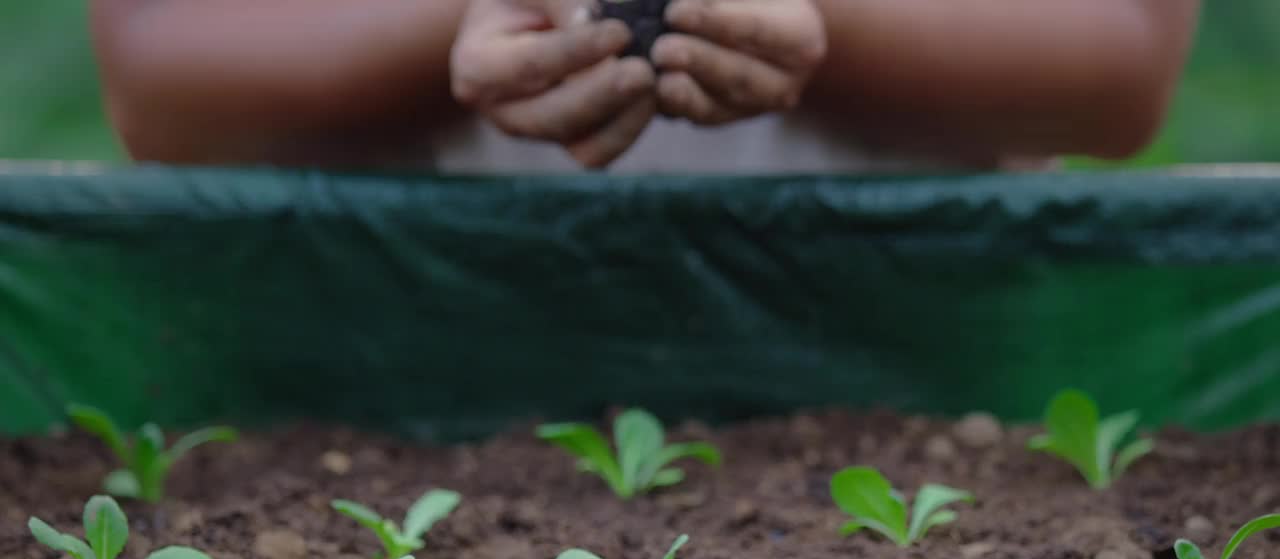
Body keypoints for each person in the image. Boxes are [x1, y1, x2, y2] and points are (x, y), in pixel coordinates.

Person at [91, 0, 1200, 173]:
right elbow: (158, 63)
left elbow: (1115, 51)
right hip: (373, 350)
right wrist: (454, 29)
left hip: (908, 350)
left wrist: (821, 28)